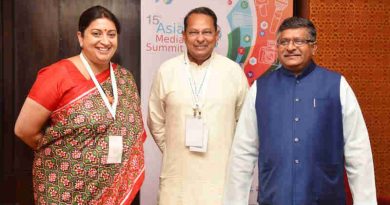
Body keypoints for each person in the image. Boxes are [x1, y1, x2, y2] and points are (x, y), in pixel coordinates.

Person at [224, 17, 377, 205]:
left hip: (325, 198)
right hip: (275, 198)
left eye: (299, 41)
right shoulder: (260, 89)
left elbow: (358, 151)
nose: (290, 47)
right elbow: (243, 152)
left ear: (314, 47)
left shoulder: (336, 85)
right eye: (284, 42)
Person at [14, 5, 146, 204]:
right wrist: (66, 155)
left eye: (111, 34)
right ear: (81, 38)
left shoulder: (124, 78)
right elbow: (24, 130)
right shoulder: (57, 75)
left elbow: (131, 130)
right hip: (63, 189)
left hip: (112, 188)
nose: (105, 41)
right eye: (96, 33)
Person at [148, 7, 248, 205]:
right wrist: (174, 150)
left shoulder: (233, 72)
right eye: (194, 32)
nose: (200, 38)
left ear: (216, 35)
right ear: (184, 36)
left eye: (207, 32)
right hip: (178, 176)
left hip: (220, 177)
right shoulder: (167, 70)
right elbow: (155, 120)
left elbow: (244, 123)